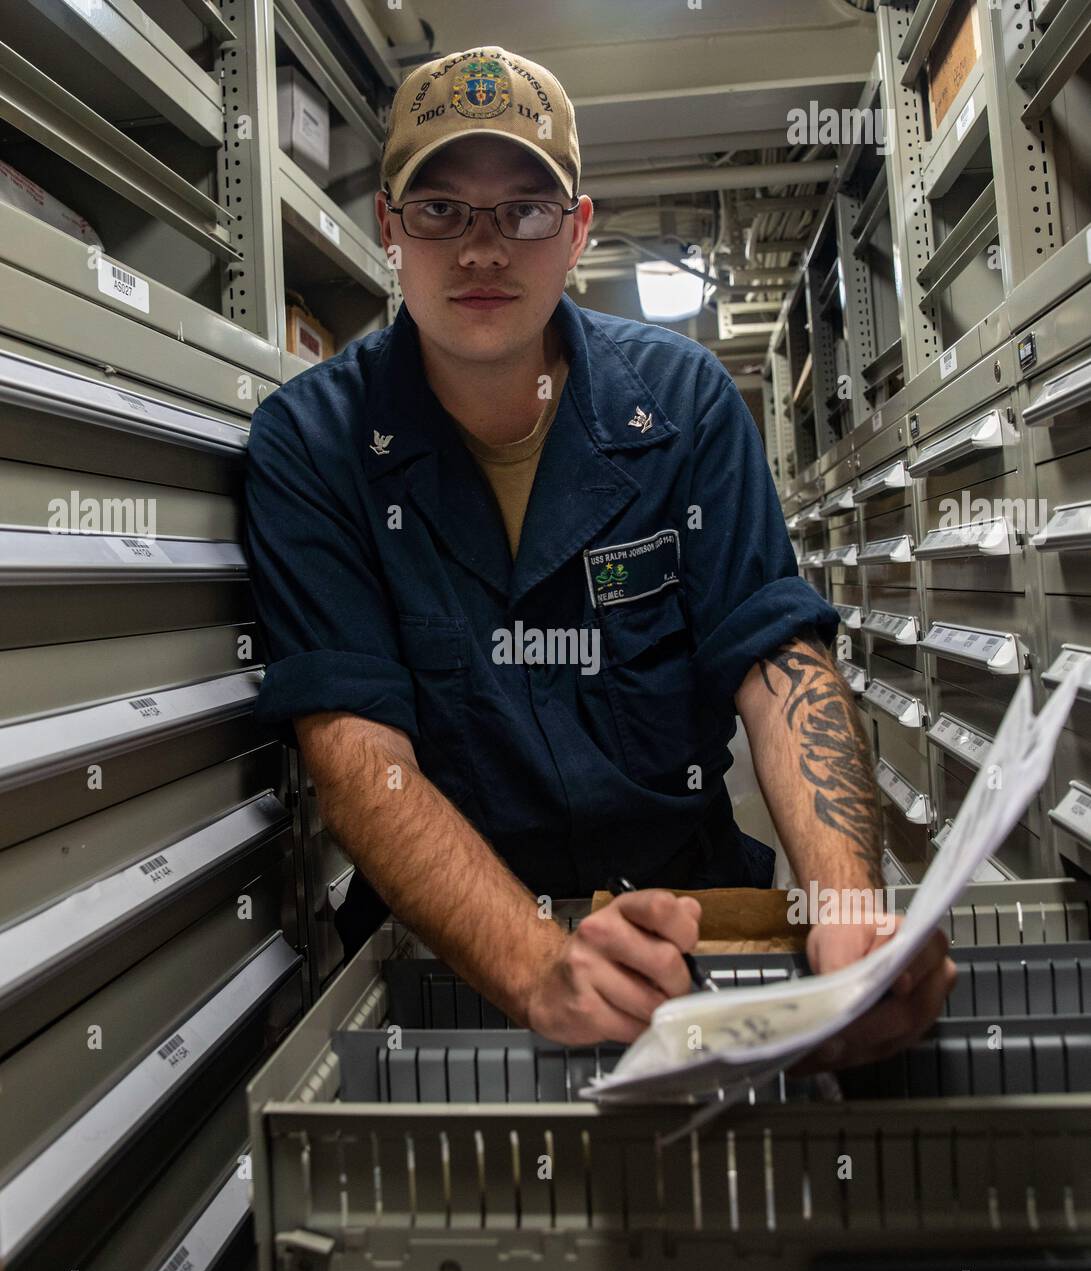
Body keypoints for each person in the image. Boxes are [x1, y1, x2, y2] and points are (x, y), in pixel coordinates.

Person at [244, 46, 954, 1059]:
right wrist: (539, 963)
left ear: (575, 231)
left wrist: (843, 905)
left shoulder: (683, 404)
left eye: (524, 209)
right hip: (445, 949)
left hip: (691, 910)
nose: (482, 249)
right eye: (441, 209)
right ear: (388, 232)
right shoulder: (313, 444)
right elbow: (359, 752)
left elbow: (775, 662)